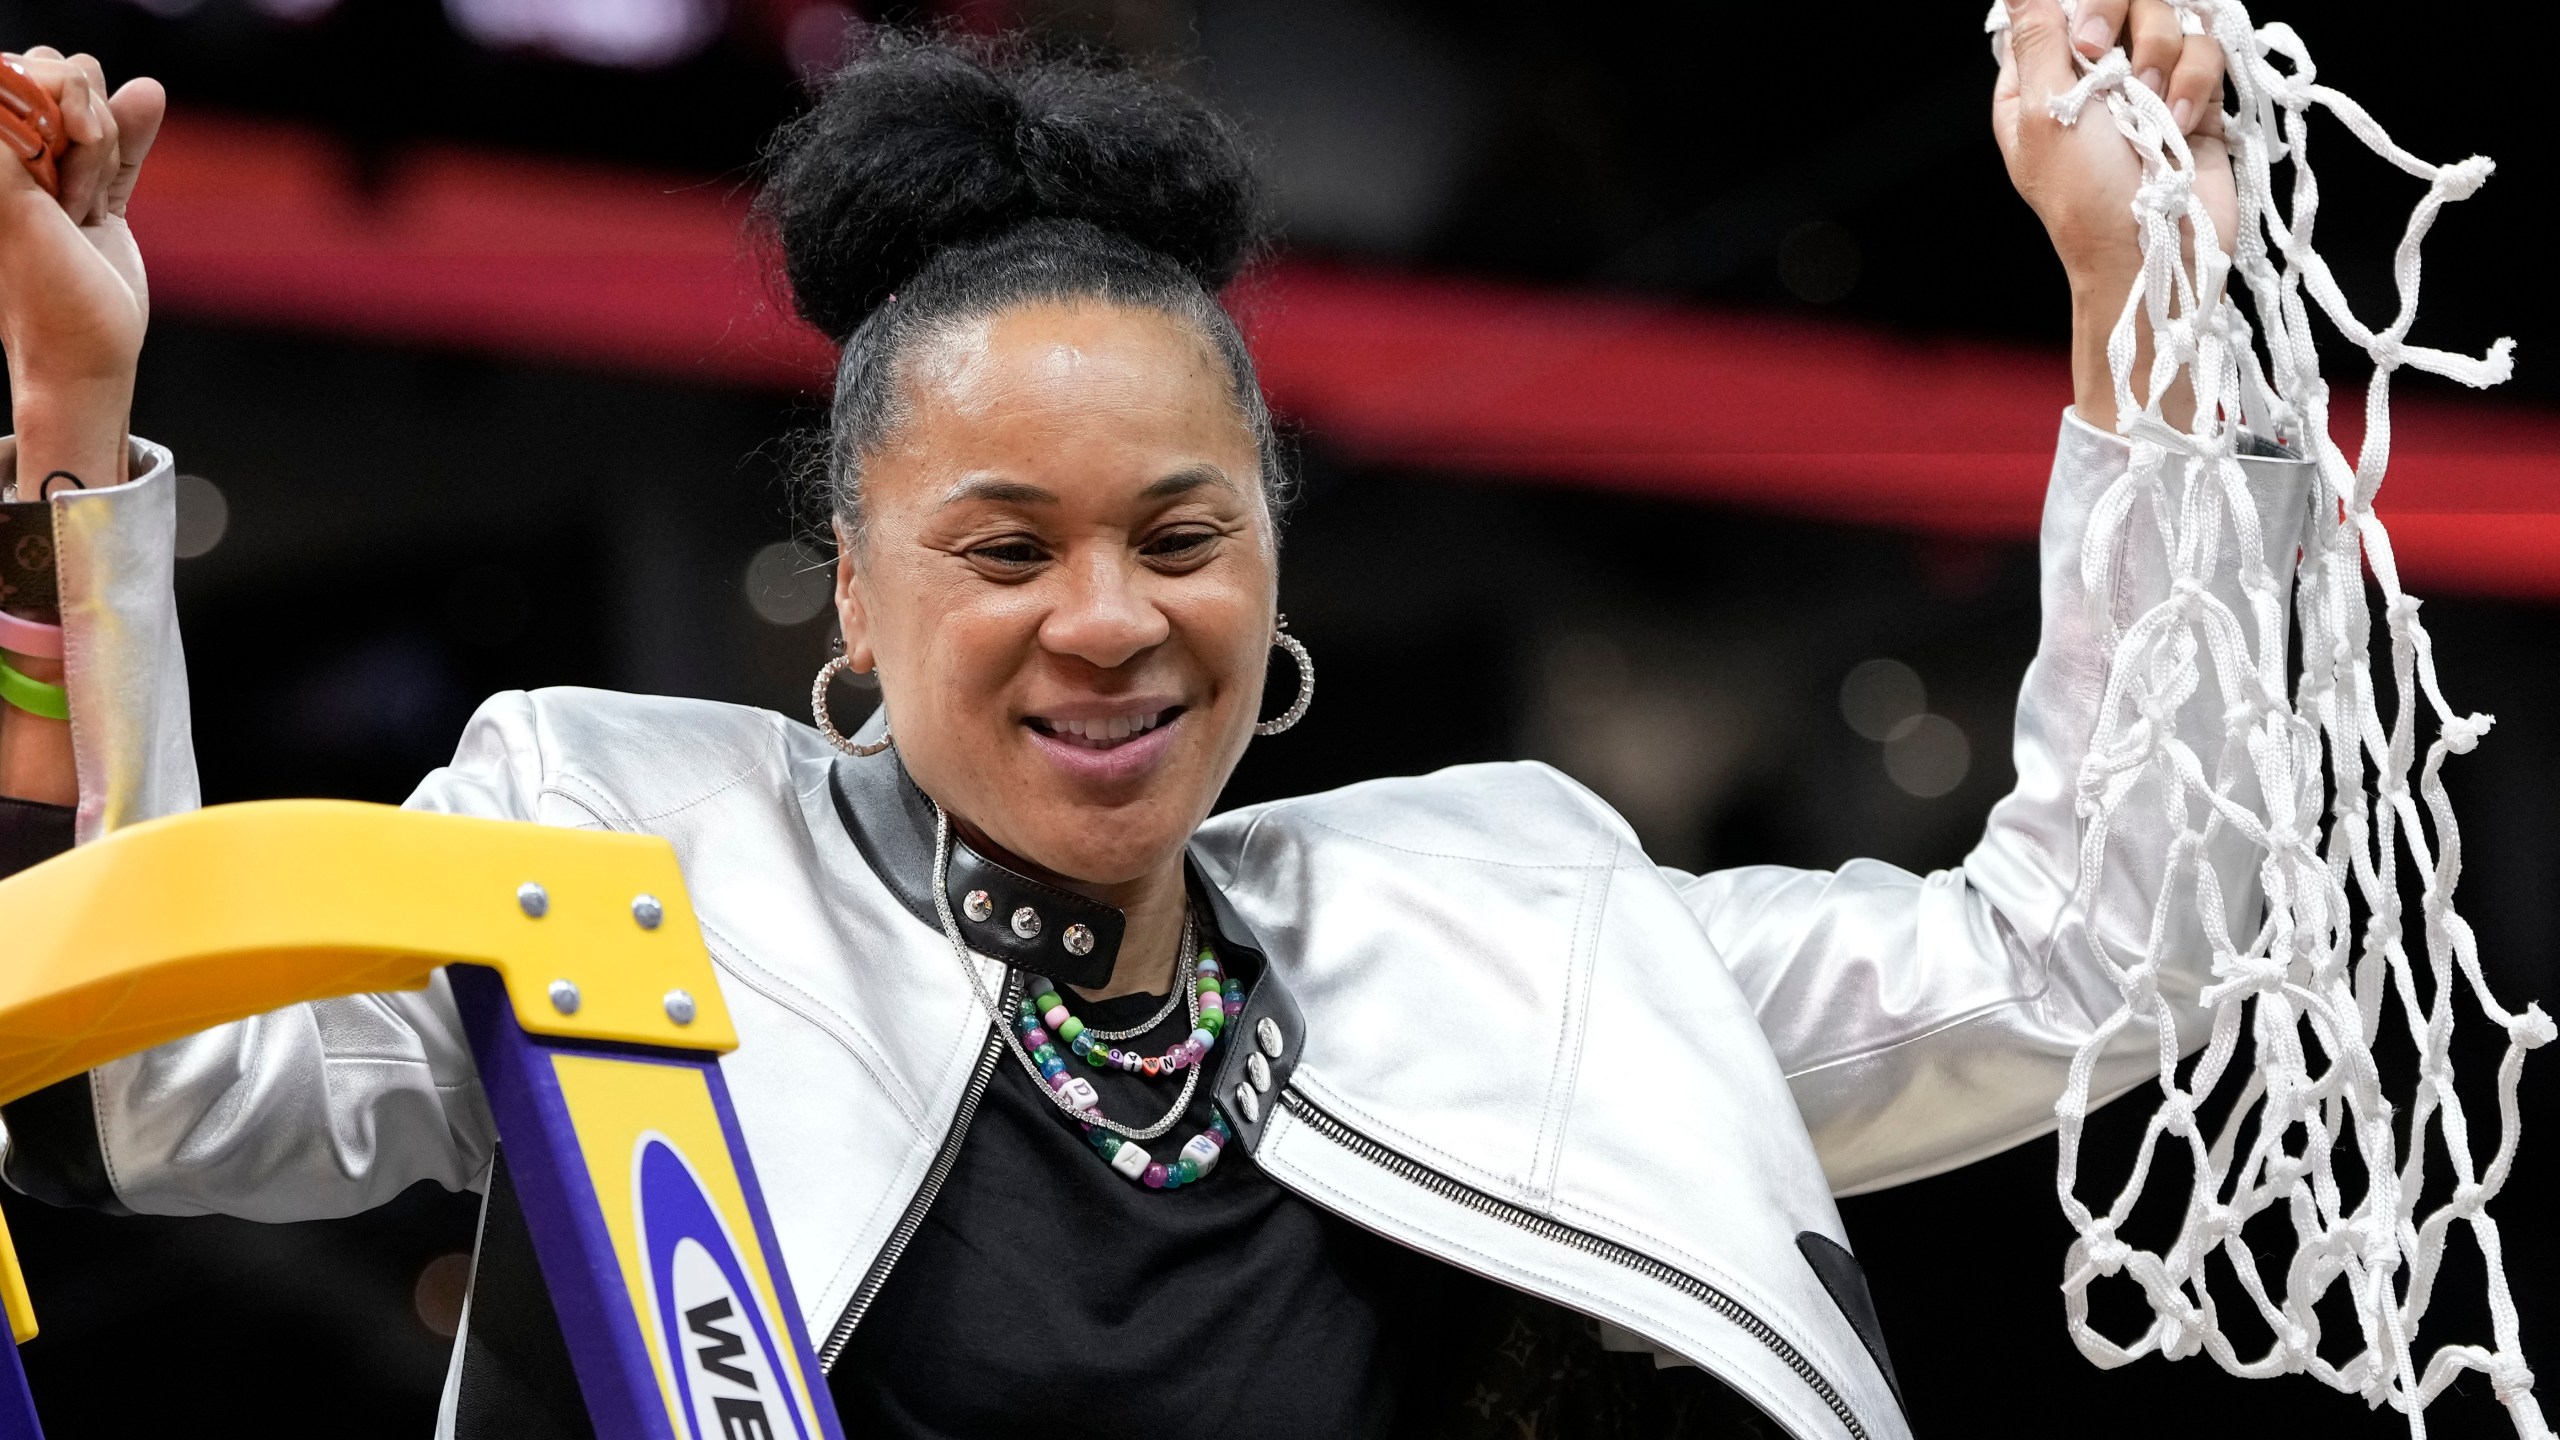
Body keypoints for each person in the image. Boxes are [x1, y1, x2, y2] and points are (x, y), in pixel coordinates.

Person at [0, 3, 2304, 1436]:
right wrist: (65, 426)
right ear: (862, 591)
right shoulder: (619, 860)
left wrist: (2148, 309)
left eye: (1178, 538)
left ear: (1272, 563)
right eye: (1004, 550)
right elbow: (144, 1081)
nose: (1105, 622)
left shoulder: (1521, 923)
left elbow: (2088, 955)